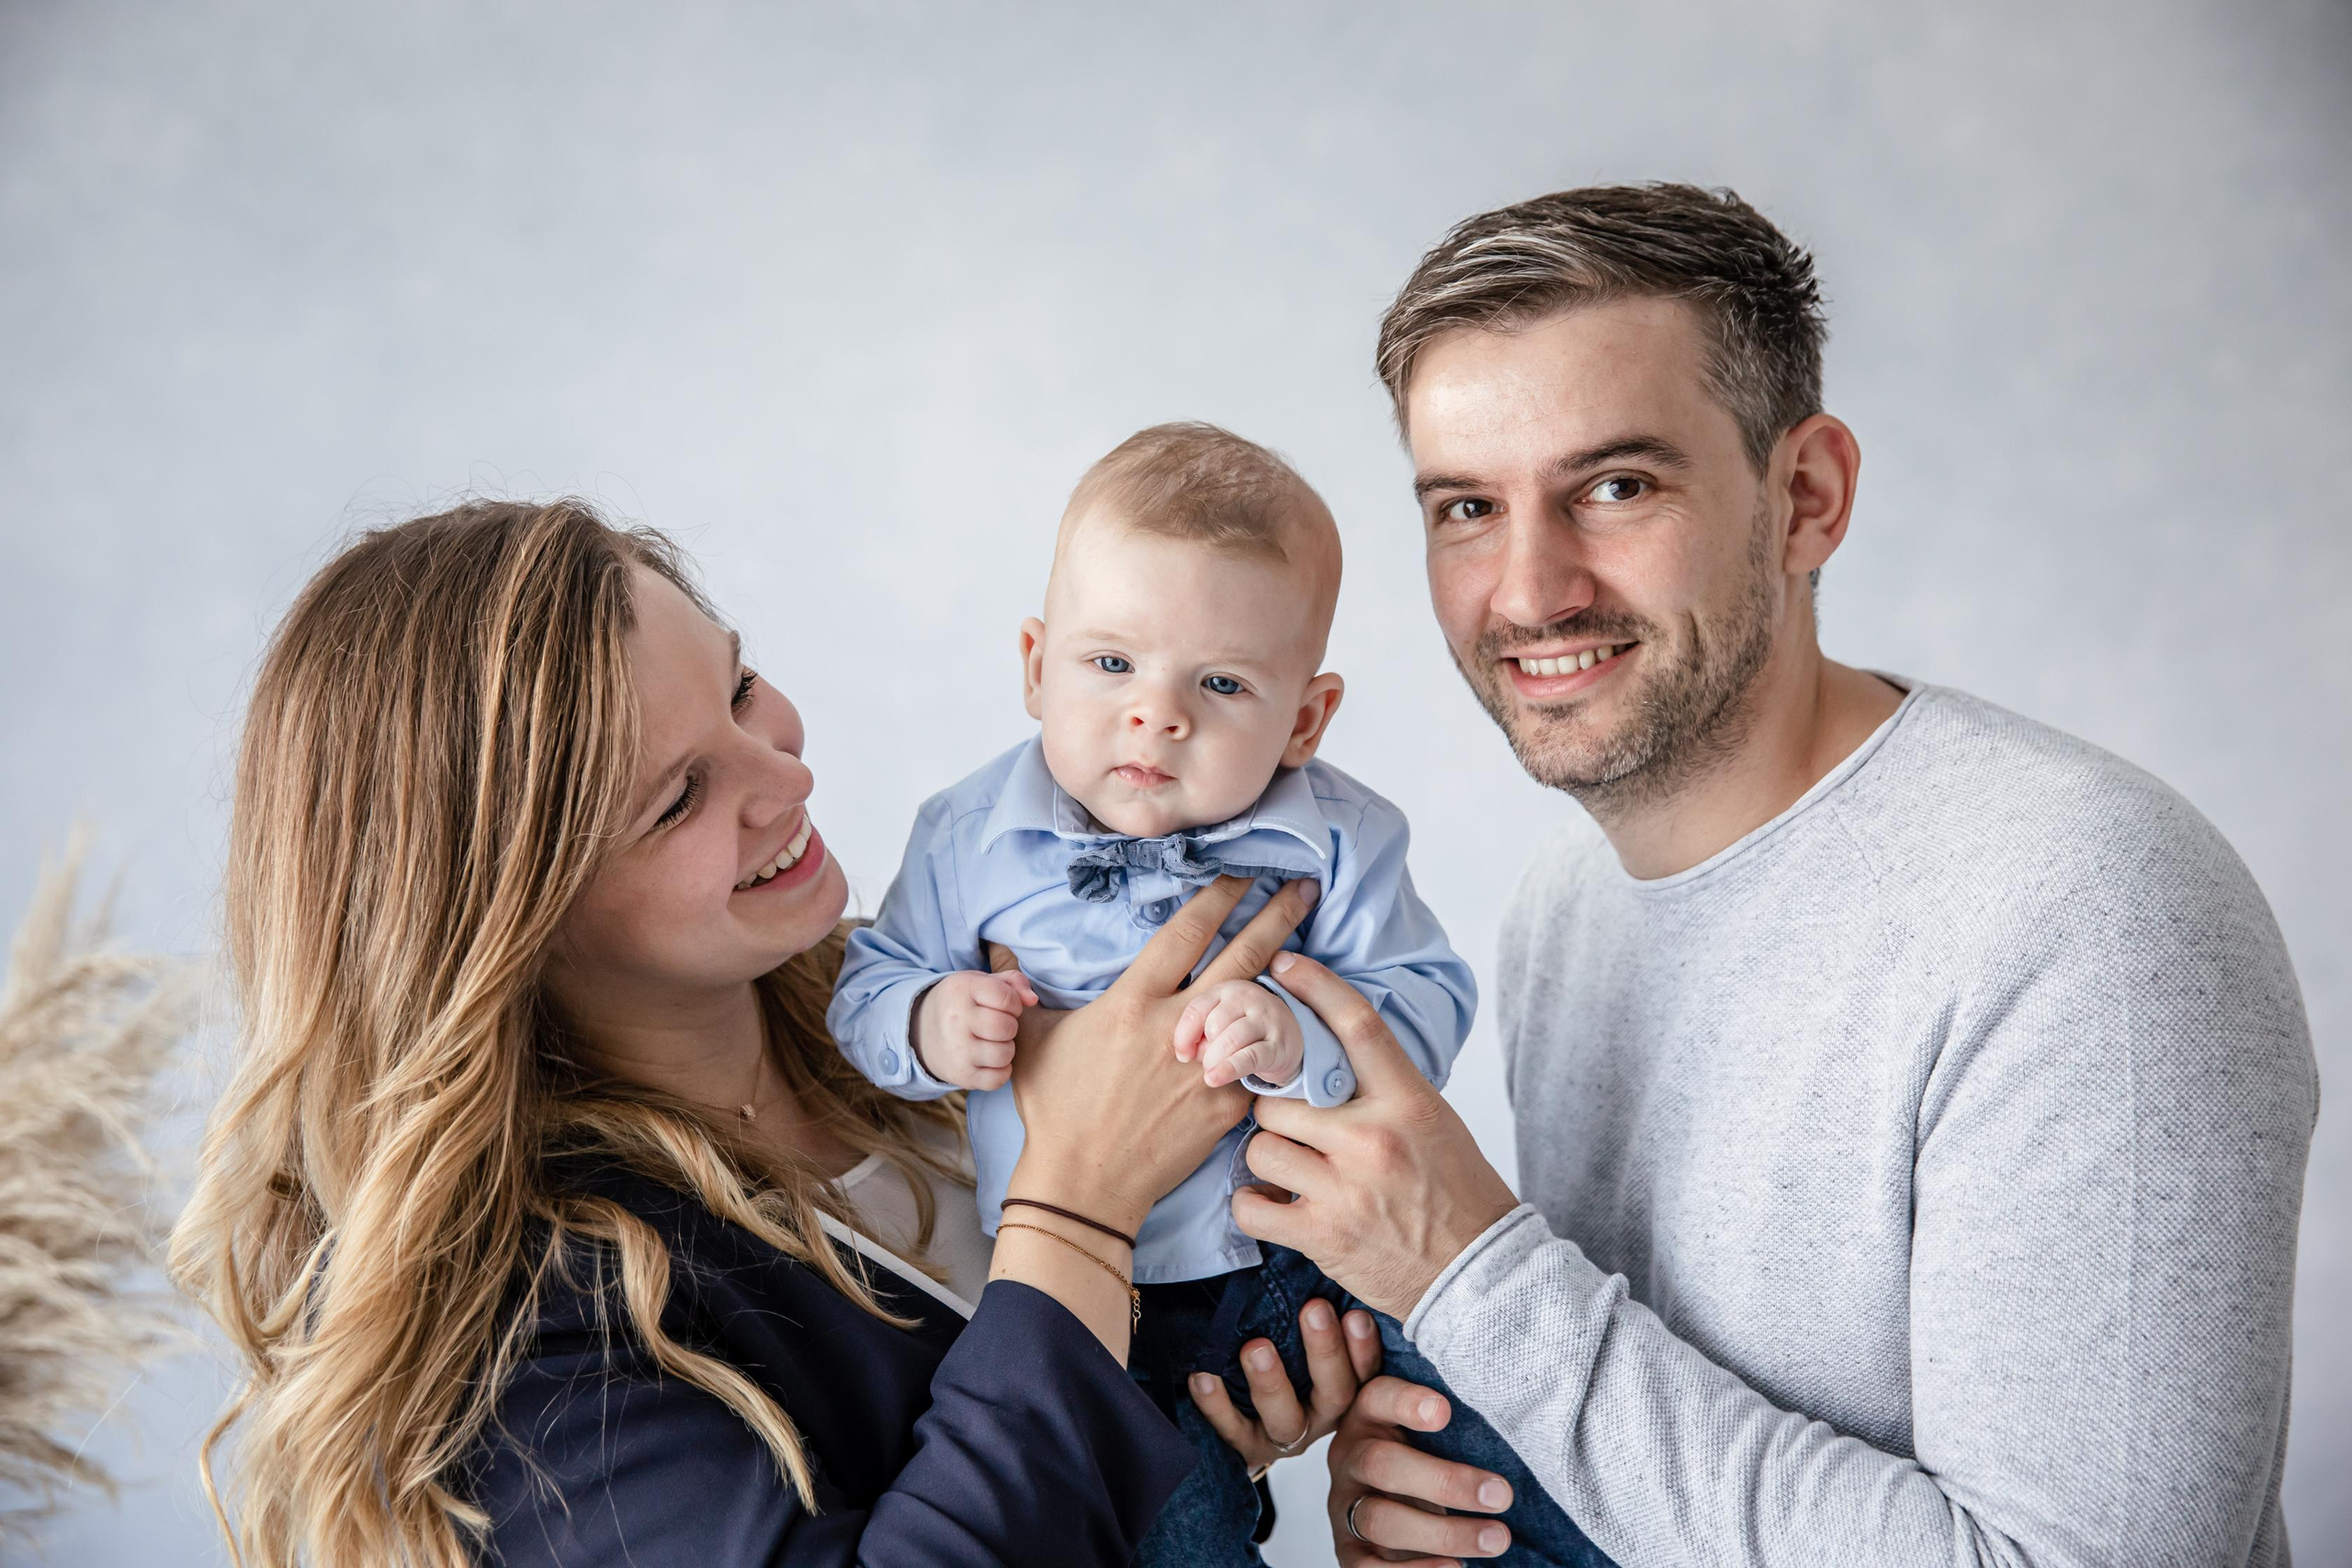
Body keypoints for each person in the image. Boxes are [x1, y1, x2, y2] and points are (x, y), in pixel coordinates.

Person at [1239, 185, 2319, 1565]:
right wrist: (1479, 1479)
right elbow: (1650, 1464)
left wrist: (1473, 1275)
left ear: (1807, 496)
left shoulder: (2089, 908)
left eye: (1616, 486)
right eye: (1465, 506)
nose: (1527, 590)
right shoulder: (1562, 914)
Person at [165, 499, 1381, 1568]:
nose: (785, 777)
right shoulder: (509, 1329)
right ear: (509, 918)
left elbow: (1045, 1453)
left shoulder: (921, 998)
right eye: (680, 794)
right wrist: (1078, 1204)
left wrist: (1185, 1433)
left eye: (741, 686)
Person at [829, 423, 1597, 1563]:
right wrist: (931, 1024)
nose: (1158, 713)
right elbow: (865, 986)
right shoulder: (964, 836)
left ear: (1303, 719)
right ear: (1035, 664)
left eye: (1222, 683)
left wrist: (1301, 1039)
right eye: (1109, 664)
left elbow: (1426, 994)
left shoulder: (1342, 838)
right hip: (1096, 1301)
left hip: (1322, 1254)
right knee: (1163, 1533)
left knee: (1507, 1426)